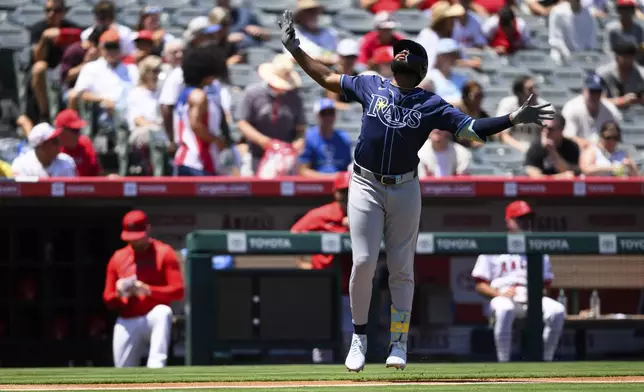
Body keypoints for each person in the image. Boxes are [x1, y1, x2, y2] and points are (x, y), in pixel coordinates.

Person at [278, 9, 553, 372]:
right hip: (364, 182)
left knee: (401, 268)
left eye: (409, 57)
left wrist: (512, 119)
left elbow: (471, 130)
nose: (402, 59)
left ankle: (398, 342)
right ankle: (359, 337)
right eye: (400, 55)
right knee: (362, 262)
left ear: (420, 70)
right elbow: (327, 76)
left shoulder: (431, 103)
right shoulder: (370, 83)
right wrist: (295, 49)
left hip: (405, 186)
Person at [472, 200, 565, 362]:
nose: (525, 222)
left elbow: (546, 285)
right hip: (502, 295)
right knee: (505, 309)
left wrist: (535, 292)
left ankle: (546, 360)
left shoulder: (538, 247)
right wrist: (499, 293)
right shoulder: (493, 246)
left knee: (557, 310)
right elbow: (480, 284)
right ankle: (504, 362)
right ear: (509, 221)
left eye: (528, 218)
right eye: (520, 218)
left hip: (531, 297)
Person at [103, 210, 185, 368]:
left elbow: (178, 291)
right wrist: (119, 294)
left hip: (151, 316)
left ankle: (156, 366)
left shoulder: (163, 253)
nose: (135, 242)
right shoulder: (118, 257)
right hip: (128, 318)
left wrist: (147, 290)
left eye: (138, 238)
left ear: (147, 230)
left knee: (163, 312)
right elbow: (108, 298)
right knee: (123, 370)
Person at [290, 172, 353, 363]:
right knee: (322, 337)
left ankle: (353, 379)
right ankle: (322, 377)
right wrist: (302, 263)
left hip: (351, 287)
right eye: (343, 192)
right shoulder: (321, 214)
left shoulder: (369, 214)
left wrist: (358, 224)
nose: (347, 196)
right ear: (336, 194)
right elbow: (292, 237)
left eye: (351, 191)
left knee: (351, 337)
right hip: (323, 285)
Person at [174, 46, 237, 176]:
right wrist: (217, 141)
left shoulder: (185, 94)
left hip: (187, 160)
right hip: (197, 162)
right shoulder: (199, 96)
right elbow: (196, 125)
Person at [561, 73, 622, 149]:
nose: (595, 95)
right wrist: (592, 145)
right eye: (592, 91)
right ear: (584, 90)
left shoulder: (611, 110)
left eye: (598, 91)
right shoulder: (572, 108)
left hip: (603, 156)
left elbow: (615, 139)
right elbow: (567, 138)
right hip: (575, 154)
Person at [298, 98, 352, 177]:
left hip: (340, 186)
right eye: (323, 113)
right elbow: (303, 170)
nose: (328, 117)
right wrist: (330, 178)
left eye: (331, 113)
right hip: (316, 185)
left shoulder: (344, 138)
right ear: (317, 116)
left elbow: (347, 168)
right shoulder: (309, 137)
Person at [11, 122, 76, 177]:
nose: (59, 144)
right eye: (55, 141)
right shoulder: (21, 165)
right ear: (42, 145)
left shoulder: (67, 162)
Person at [524, 114, 579, 179]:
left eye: (550, 129)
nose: (545, 131)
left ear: (561, 129)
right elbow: (534, 175)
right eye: (542, 128)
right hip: (540, 188)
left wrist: (552, 151)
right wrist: (557, 177)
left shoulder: (571, 146)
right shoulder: (536, 146)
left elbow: (571, 173)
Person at [54, 109, 101, 176]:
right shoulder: (52, 149)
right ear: (61, 132)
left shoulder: (86, 144)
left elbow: (96, 175)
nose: (78, 134)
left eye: (78, 130)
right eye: (75, 130)